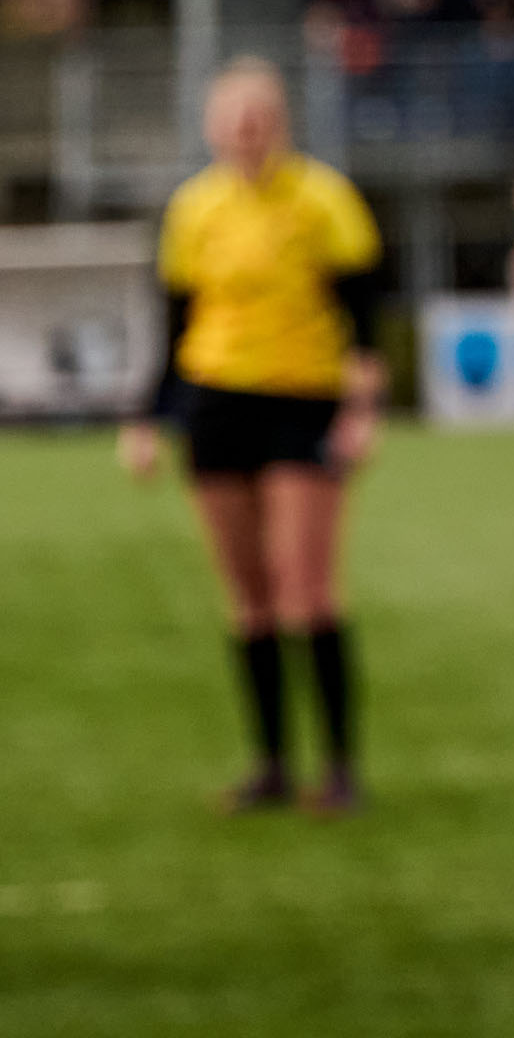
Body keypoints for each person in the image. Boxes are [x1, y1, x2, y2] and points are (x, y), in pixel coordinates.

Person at [117, 56, 384, 812]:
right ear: (212, 128)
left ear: (281, 122)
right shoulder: (194, 207)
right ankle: (270, 765)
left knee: (307, 589)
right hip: (215, 402)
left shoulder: (325, 198)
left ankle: (339, 767)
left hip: (302, 400)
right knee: (248, 598)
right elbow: (175, 322)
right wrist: (146, 417)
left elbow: (363, 316)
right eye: (233, 119)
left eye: (258, 118)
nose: (246, 131)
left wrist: (362, 411)